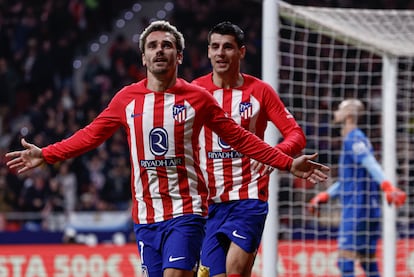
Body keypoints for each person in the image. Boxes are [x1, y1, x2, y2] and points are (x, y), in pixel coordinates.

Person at [5, 20, 329, 277]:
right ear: (143, 57)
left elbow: (240, 138)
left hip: (188, 210)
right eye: (152, 46)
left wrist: (287, 162)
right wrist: (46, 154)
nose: (160, 50)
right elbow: (90, 135)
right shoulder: (126, 100)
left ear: (179, 56)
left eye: (167, 45)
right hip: (146, 215)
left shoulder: (197, 98)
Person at [192, 21, 307, 277]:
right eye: (215, 47)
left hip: (249, 197)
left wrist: (276, 155)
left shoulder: (260, 91)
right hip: (208, 203)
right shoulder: (194, 92)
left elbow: (296, 135)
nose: (221, 53)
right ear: (208, 52)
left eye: (228, 47)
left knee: (234, 271)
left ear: (241, 52)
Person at [308, 98, 406, 277]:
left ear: (349, 116)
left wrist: (387, 186)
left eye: (339, 109)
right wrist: (326, 196)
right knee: (367, 261)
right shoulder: (359, 139)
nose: (335, 112)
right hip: (371, 210)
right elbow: (349, 179)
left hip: (356, 209)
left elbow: (371, 164)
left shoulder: (354, 139)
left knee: (345, 261)